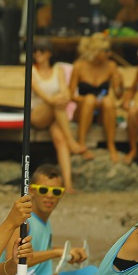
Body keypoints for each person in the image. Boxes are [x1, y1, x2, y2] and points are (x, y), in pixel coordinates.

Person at [0, 164, 97, 275]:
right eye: (43, 190)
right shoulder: (24, 222)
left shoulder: (44, 222)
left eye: (56, 191)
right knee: (90, 273)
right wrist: (56, 253)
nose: (50, 196)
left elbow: (40, 250)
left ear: (62, 193)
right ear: (32, 191)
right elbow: (12, 259)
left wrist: (67, 251)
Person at [30, 37, 85, 192]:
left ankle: (67, 184)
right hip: (39, 113)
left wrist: (62, 98)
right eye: (35, 51)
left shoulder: (57, 70)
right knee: (55, 104)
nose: (37, 54)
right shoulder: (32, 70)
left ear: (49, 53)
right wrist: (57, 99)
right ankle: (72, 142)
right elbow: (41, 94)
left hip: (56, 113)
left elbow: (66, 92)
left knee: (59, 139)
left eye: (41, 50)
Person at [70, 33, 124, 162]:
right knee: (90, 99)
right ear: (96, 51)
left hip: (102, 113)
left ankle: (111, 145)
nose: (109, 54)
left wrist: (120, 83)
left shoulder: (111, 66)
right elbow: (71, 95)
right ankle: (82, 143)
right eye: (106, 51)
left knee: (108, 101)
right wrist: (89, 101)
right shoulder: (79, 66)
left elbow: (118, 95)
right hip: (83, 110)